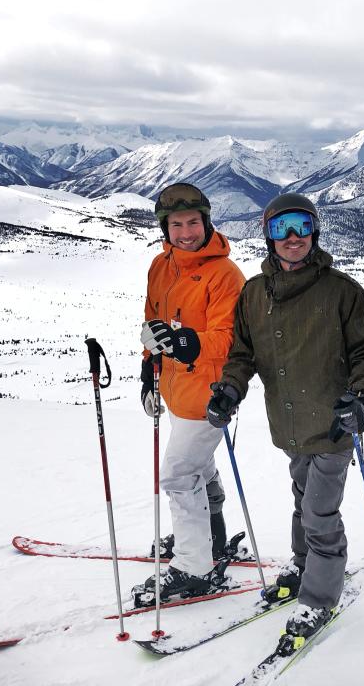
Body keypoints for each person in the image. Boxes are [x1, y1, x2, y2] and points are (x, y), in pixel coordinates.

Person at [205, 193, 364, 643]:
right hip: (288, 424)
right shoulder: (253, 293)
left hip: (333, 423)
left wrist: (361, 399)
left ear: (315, 232)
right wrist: (231, 387)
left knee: (320, 512)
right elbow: (243, 354)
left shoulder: (342, 292)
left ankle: (319, 599)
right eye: (282, 227)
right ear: (267, 234)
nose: (292, 238)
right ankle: (303, 566)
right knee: (303, 496)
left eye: (301, 226)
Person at [136, 182, 246, 601]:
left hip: (211, 393)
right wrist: (149, 370)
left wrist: (187, 342)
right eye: (176, 224)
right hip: (174, 388)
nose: (186, 232)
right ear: (166, 228)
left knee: (179, 475)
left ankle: (195, 567)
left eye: (193, 222)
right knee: (198, 468)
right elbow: (152, 323)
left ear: (207, 222)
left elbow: (230, 339)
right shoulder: (160, 266)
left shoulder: (224, 275)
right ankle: (206, 540)